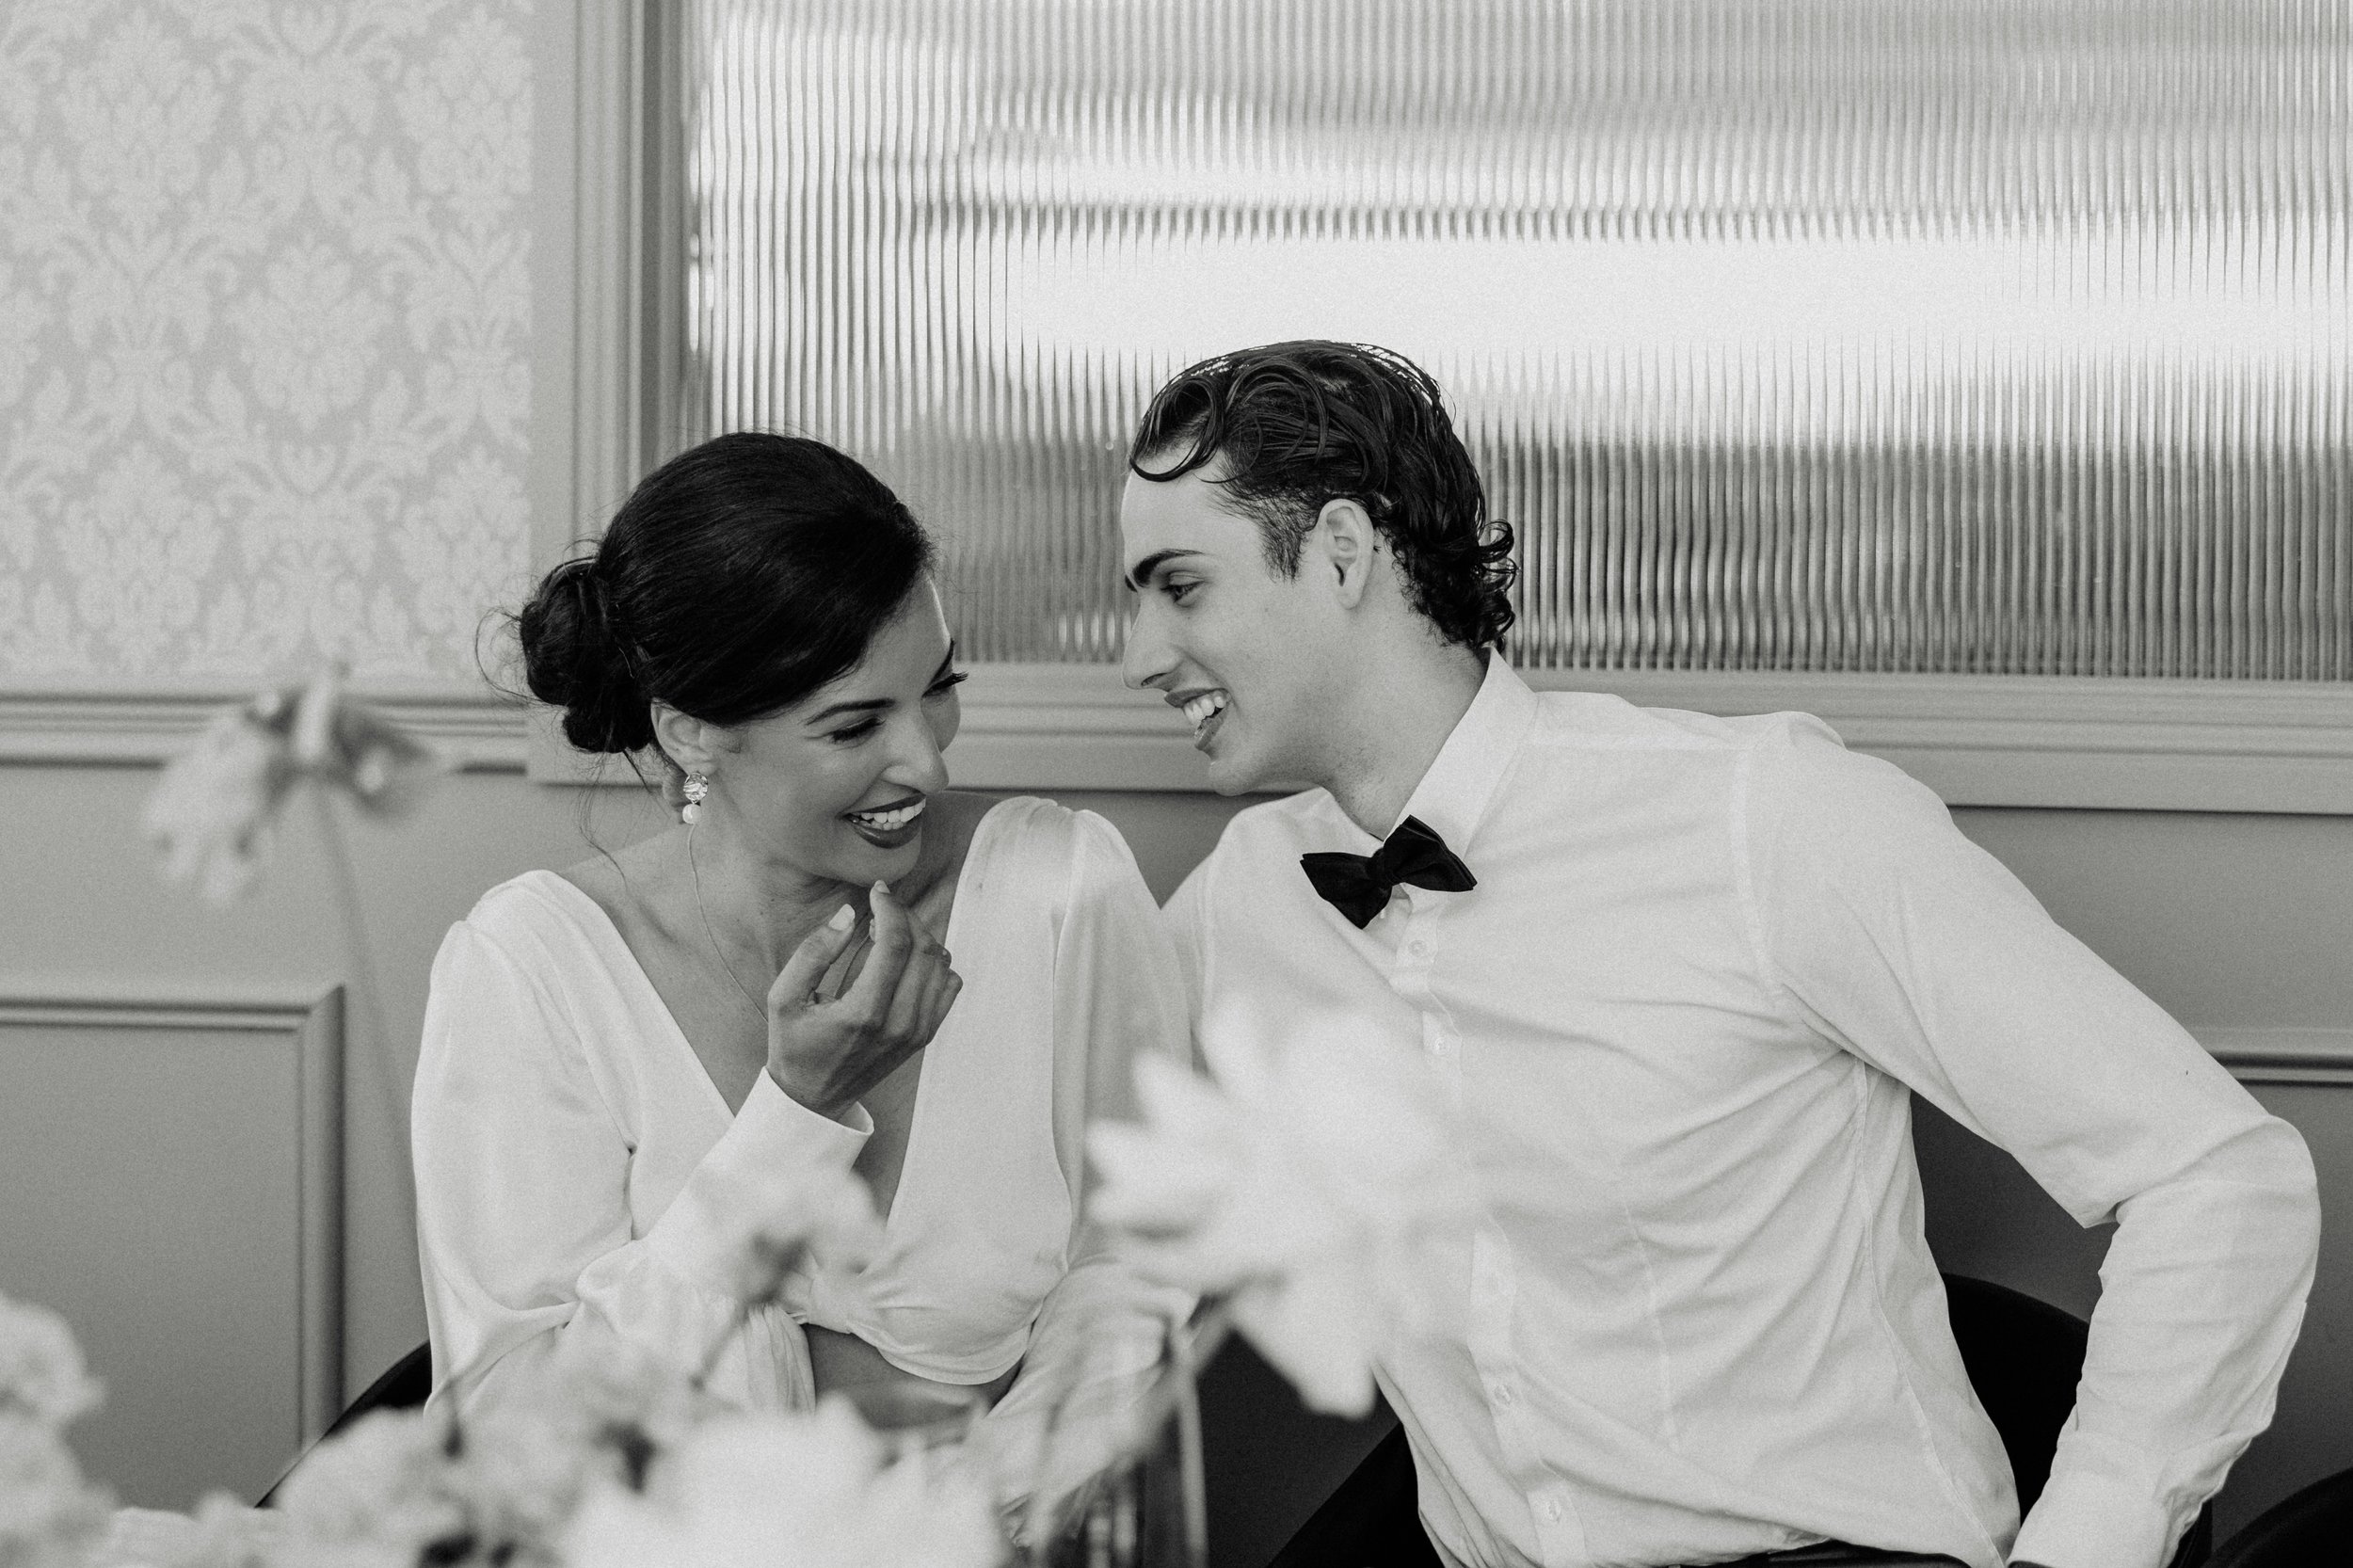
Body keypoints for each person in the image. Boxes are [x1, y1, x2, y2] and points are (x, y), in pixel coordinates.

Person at [1119, 341, 2319, 1568]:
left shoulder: (1770, 818)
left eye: (1180, 587)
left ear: (1340, 554)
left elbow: (2219, 1175)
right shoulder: (1248, 899)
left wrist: (2085, 1546)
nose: (1139, 656)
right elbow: (1093, 1195)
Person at [411, 432, 1186, 1470]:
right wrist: (793, 1116)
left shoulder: (1059, 890)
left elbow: (1133, 1280)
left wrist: (989, 1517)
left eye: (938, 686)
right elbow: (518, 1432)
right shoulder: (530, 970)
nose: (926, 762)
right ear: (692, 733)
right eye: (854, 726)